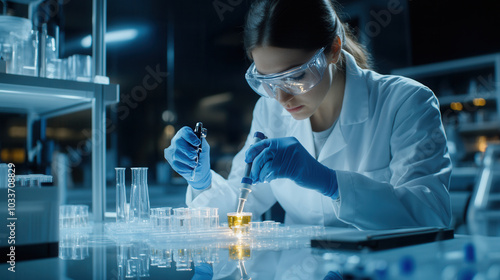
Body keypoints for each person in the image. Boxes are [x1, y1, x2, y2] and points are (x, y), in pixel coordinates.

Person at [165, 0, 452, 230]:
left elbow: (430, 216)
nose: (282, 97)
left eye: (295, 76)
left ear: (333, 50)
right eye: (268, 80)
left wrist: (329, 181)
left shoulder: (405, 102)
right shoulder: (270, 110)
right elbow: (242, 206)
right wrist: (202, 181)